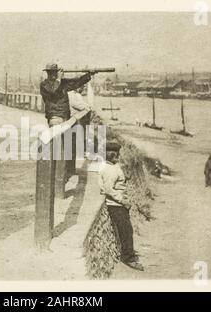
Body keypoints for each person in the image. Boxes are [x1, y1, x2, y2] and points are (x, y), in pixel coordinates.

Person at [98, 141, 144, 271]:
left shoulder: (110, 166)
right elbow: (108, 189)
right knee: (126, 231)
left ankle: (128, 254)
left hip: (118, 204)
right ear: (114, 155)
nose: (118, 156)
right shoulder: (110, 170)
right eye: (117, 154)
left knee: (127, 230)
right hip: (116, 205)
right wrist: (123, 201)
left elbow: (119, 175)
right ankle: (127, 257)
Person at [40, 63, 95, 127]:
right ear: (47, 73)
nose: (53, 74)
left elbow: (76, 82)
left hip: (66, 117)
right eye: (51, 72)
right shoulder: (44, 85)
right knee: (57, 136)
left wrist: (88, 75)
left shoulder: (62, 83)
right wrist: (58, 79)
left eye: (55, 72)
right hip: (54, 118)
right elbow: (53, 91)